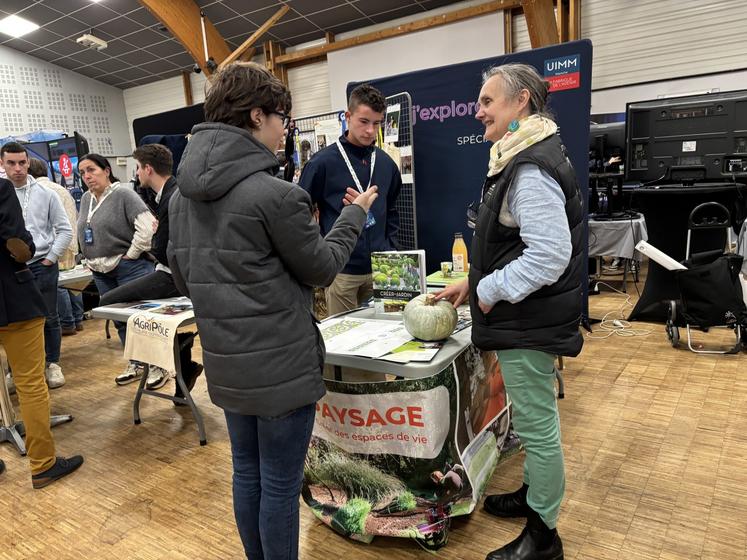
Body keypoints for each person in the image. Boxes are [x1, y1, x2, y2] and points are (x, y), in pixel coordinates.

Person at [168, 61, 377, 560]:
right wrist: (354, 213)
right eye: (283, 117)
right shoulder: (277, 196)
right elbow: (323, 268)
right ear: (256, 116)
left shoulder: (178, 199)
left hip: (226, 364)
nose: (287, 129)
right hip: (281, 369)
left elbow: (184, 279)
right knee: (280, 487)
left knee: (247, 473)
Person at [436, 63, 584, 560]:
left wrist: (490, 289)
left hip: (528, 323)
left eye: (487, 101)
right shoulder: (524, 155)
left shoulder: (530, 167)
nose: (478, 112)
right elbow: (513, 244)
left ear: (521, 102)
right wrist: (472, 282)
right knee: (531, 424)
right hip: (526, 318)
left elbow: (548, 254)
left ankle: (544, 537)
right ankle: (533, 497)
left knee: (539, 431)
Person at [97, 144, 202, 399]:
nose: (136, 174)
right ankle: (181, 366)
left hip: (172, 274)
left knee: (108, 301)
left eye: (137, 168)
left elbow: (164, 248)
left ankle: (162, 364)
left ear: (148, 169)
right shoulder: (167, 194)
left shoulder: (172, 196)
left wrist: (151, 245)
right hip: (170, 270)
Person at [0, 177, 83, 488]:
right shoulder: (2, 189)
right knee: (31, 383)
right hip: (13, 299)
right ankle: (43, 464)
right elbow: (18, 245)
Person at [299, 84, 402, 316]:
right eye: (363, 121)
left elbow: (393, 209)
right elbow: (300, 212)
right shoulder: (321, 163)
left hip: (383, 270)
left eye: (377, 123)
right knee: (344, 341)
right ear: (348, 116)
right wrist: (320, 253)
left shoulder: (386, 164)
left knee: (384, 338)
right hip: (342, 270)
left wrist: (391, 248)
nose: (370, 131)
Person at [76, 153, 161, 387]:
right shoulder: (86, 199)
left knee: (141, 318)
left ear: (106, 170)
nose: (87, 176)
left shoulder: (123, 193)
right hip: (100, 270)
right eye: (82, 172)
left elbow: (147, 226)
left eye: (91, 170)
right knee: (120, 320)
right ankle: (136, 362)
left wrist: (131, 255)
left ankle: (157, 366)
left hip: (128, 267)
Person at [1, 143, 73, 389]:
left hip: (42, 264)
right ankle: (15, 370)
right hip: (11, 269)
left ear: (28, 162)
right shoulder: (1, 193)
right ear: (2, 163)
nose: (18, 168)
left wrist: (50, 257)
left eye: (22, 162)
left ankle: (53, 364)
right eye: (11, 163)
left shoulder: (46, 193)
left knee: (49, 317)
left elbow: (64, 230)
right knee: (14, 322)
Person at [27, 158, 84, 336]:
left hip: (55, 244)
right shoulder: (58, 188)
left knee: (59, 285)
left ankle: (67, 323)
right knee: (74, 283)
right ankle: (77, 319)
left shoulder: (42, 191)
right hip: (70, 242)